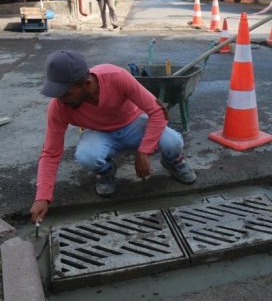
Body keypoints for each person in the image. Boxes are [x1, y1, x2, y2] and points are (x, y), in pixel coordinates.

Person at [30, 51, 196, 223]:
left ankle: (173, 161)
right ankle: (106, 171)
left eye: (66, 93)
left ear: (86, 84)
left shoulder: (116, 76)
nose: (61, 100)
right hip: (99, 133)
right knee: (87, 157)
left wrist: (144, 151)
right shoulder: (59, 106)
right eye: (57, 93)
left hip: (133, 124)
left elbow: (158, 112)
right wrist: (42, 197)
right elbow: (51, 153)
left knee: (173, 143)